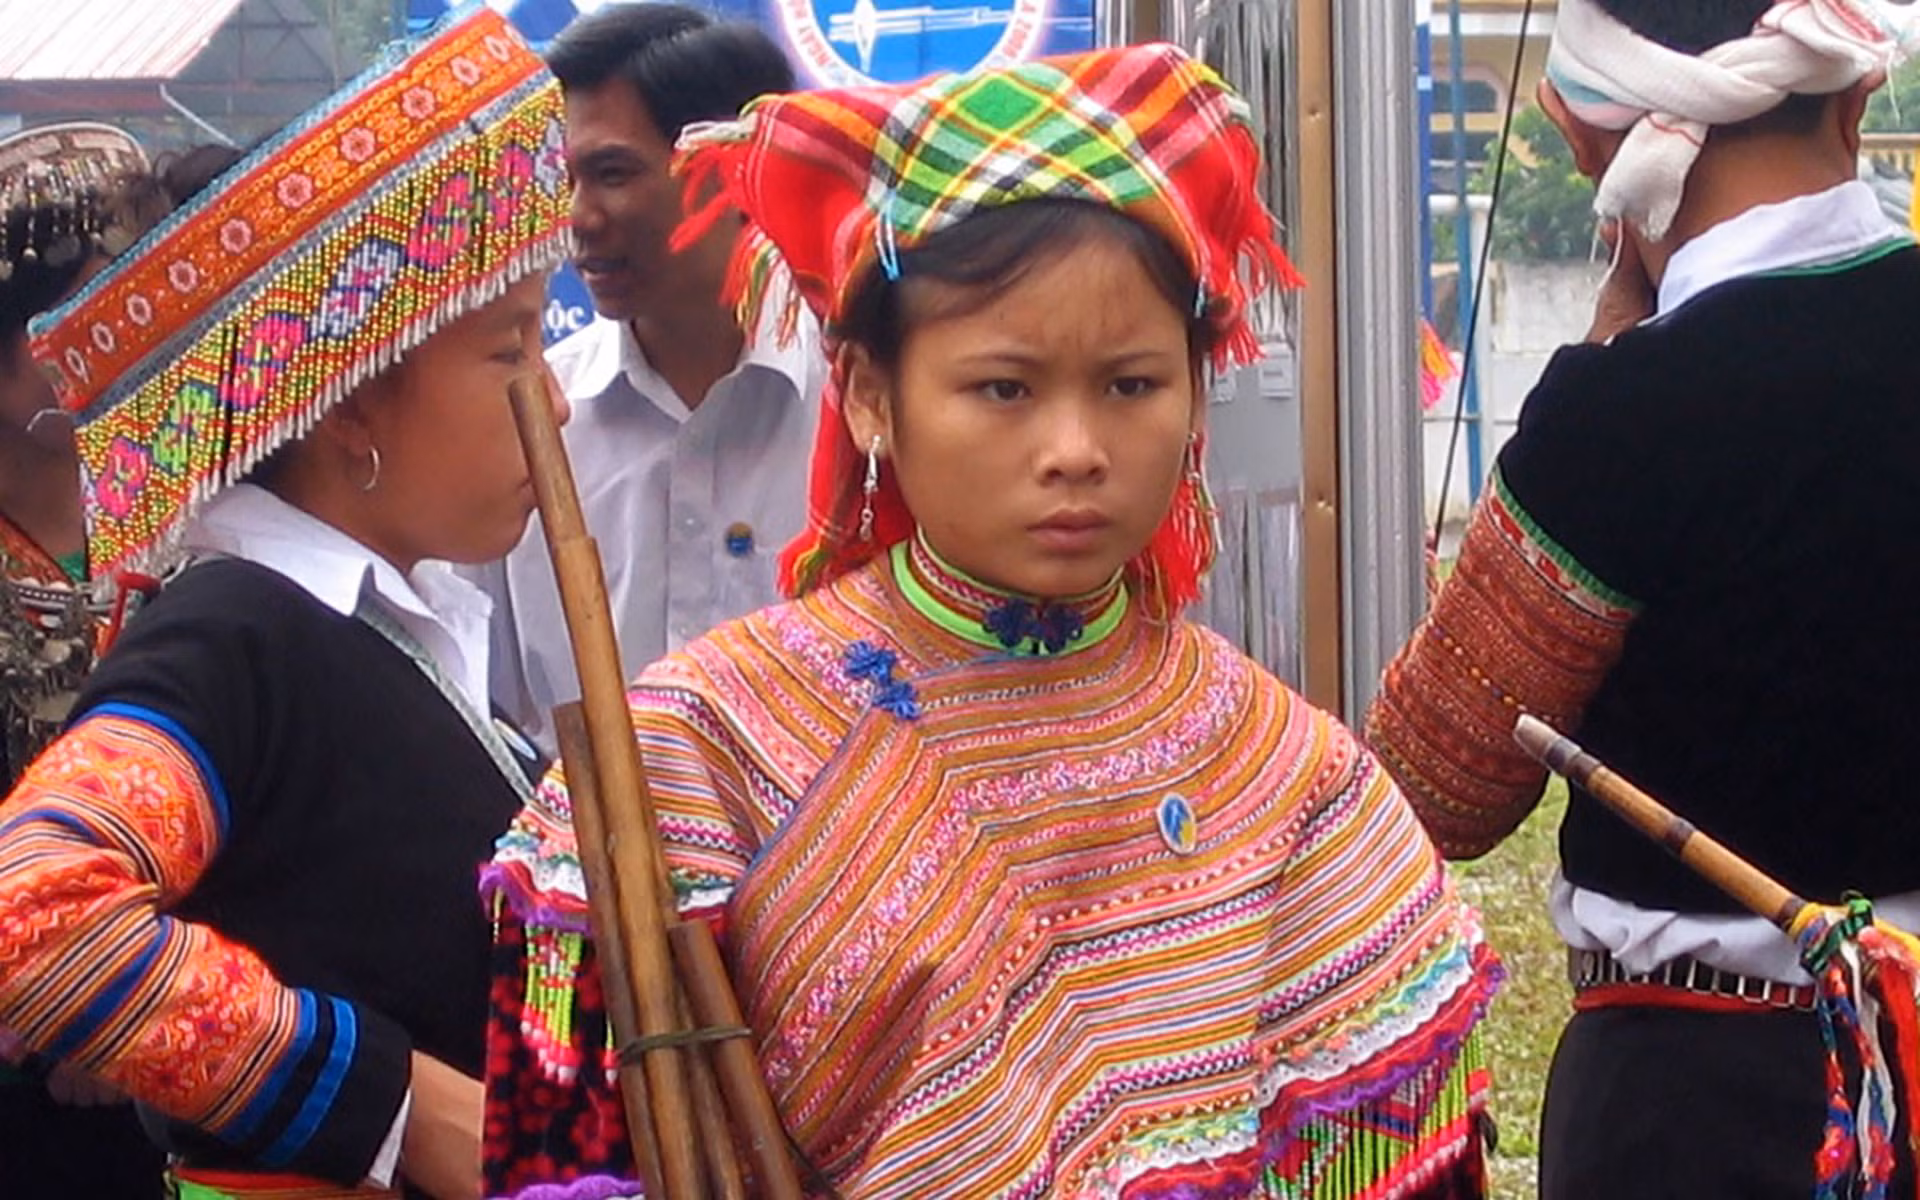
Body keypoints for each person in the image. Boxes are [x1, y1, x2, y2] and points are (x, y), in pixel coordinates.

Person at [483, 44, 1502, 1199]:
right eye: (1004, 389)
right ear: (870, 394)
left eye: (1131, 385)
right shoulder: (696, 749)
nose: (1075, 450)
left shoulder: (1287, 775)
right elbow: (568, 1147)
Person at [0, 7, 571, 1198]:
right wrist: (404, 1111)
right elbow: (35, 911)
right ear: (354, 400)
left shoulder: (372, 632)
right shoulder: (240, 631)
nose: (553, 405)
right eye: (511, 351)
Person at [1365, 1, 1920, 1195]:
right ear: (1856, 101)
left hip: (1694, 1101)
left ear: (1580, 136)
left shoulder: (1625, 414)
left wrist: (1596, 375)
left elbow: (1438, 783)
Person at [475, 2, 824, 756]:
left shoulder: (862, 407)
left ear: (734, 168)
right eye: (564, 179)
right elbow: (487, 709)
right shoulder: (528, 421)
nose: (577, 217)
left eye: (611, 174)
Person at [0, 126, 241, 1200]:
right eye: (73, 311)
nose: (103, 344)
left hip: (195, 1036)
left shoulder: (201, 517)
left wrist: (137, 1004)